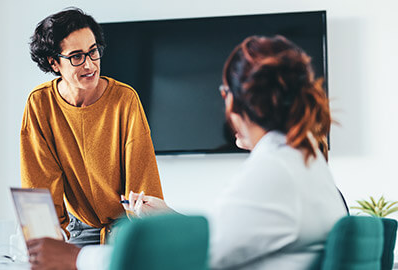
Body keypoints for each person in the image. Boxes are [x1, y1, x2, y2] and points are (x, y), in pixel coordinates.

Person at [26, 35, 348, 270]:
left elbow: (191, 257)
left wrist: (77, 257)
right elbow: (228, 238)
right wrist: (170, 216)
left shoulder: (275, 173)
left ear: (236, 101)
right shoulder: (307, 164)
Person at [20, 7, 163, 248]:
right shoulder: (40, 104)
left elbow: (142, 187)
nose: (90, 65)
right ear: (54, 63)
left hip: (126, 228)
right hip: (78, 228)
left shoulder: (125, 100)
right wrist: (46, 247)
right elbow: (39, 190)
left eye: (93, 51)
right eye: (77, 56)